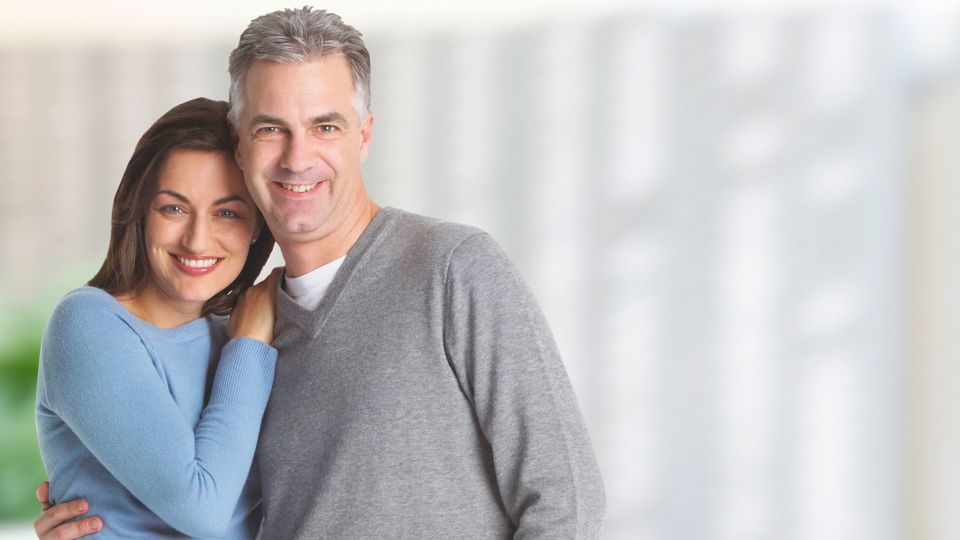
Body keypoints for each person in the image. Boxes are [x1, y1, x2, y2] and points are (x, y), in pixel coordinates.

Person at [37, 7, 606, 539]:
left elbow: (566, 499)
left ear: (364, 134)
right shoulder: (245, 335)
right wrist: (101, 508)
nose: (296, 157)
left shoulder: (453, 269)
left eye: (325, 126)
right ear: (239, 145)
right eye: (270, 128)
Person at [33, 97, 282, 538]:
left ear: (258, 224)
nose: (197, 238)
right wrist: (248, 349)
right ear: (139, 209)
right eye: (174, 208)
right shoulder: (88, 324)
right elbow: (202, 511)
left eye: (227, 212)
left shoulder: (243, 332)